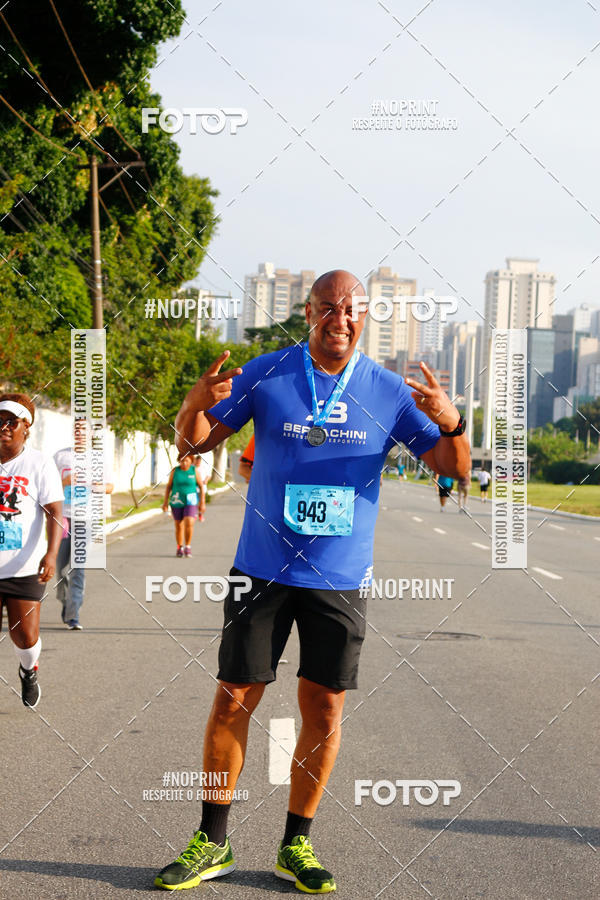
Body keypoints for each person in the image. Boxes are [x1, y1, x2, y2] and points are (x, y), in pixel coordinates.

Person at [155, 270, 470, 893]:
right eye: (328, 308)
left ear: (364, 318)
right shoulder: (267, 372)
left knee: (324, 707)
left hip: (339, 578)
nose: (340, 319)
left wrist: (453, 423)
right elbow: (194, 446)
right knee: (234, 698)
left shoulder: (387, 390)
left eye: (351, 310)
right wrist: (194, 403)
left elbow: (452, 472)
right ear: (308, 313)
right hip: (262, 568)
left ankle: (297, 842)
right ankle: (210, 842)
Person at [0, 393, 63, 707]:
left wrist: (51, 554)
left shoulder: (38, 463)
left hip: (24, 567)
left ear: (26, 427)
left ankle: (29, 670)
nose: (4, 427)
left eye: (12, 422)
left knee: (24, 636)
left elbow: (54, 512)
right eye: (0, 421)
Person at [54, 422, 114, 630]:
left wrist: (99, 487)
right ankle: (66, 602)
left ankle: (73, 615)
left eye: (83, 430)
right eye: (76, 429)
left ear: (90, 434)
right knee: (60, 569)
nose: (79, 433)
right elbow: (49, 484)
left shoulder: (98, 459)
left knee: (77, 569)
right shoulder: (60, 456)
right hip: (63, 518)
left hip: (85, 519)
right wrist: (66, 481)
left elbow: (110, 486)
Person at [163, 453, 205, 557]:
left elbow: (201, 486)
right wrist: (165, 502)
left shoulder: (194, 471)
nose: (184, 463)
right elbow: (169, 486)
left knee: (189, 522)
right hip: (177, 500)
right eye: (182, 461)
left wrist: (202, 502)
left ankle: (188, 547)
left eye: (186, 460)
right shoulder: (175, 471)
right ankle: (179, 547)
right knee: (178, 525)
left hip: (191, 500)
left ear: (191, 461)